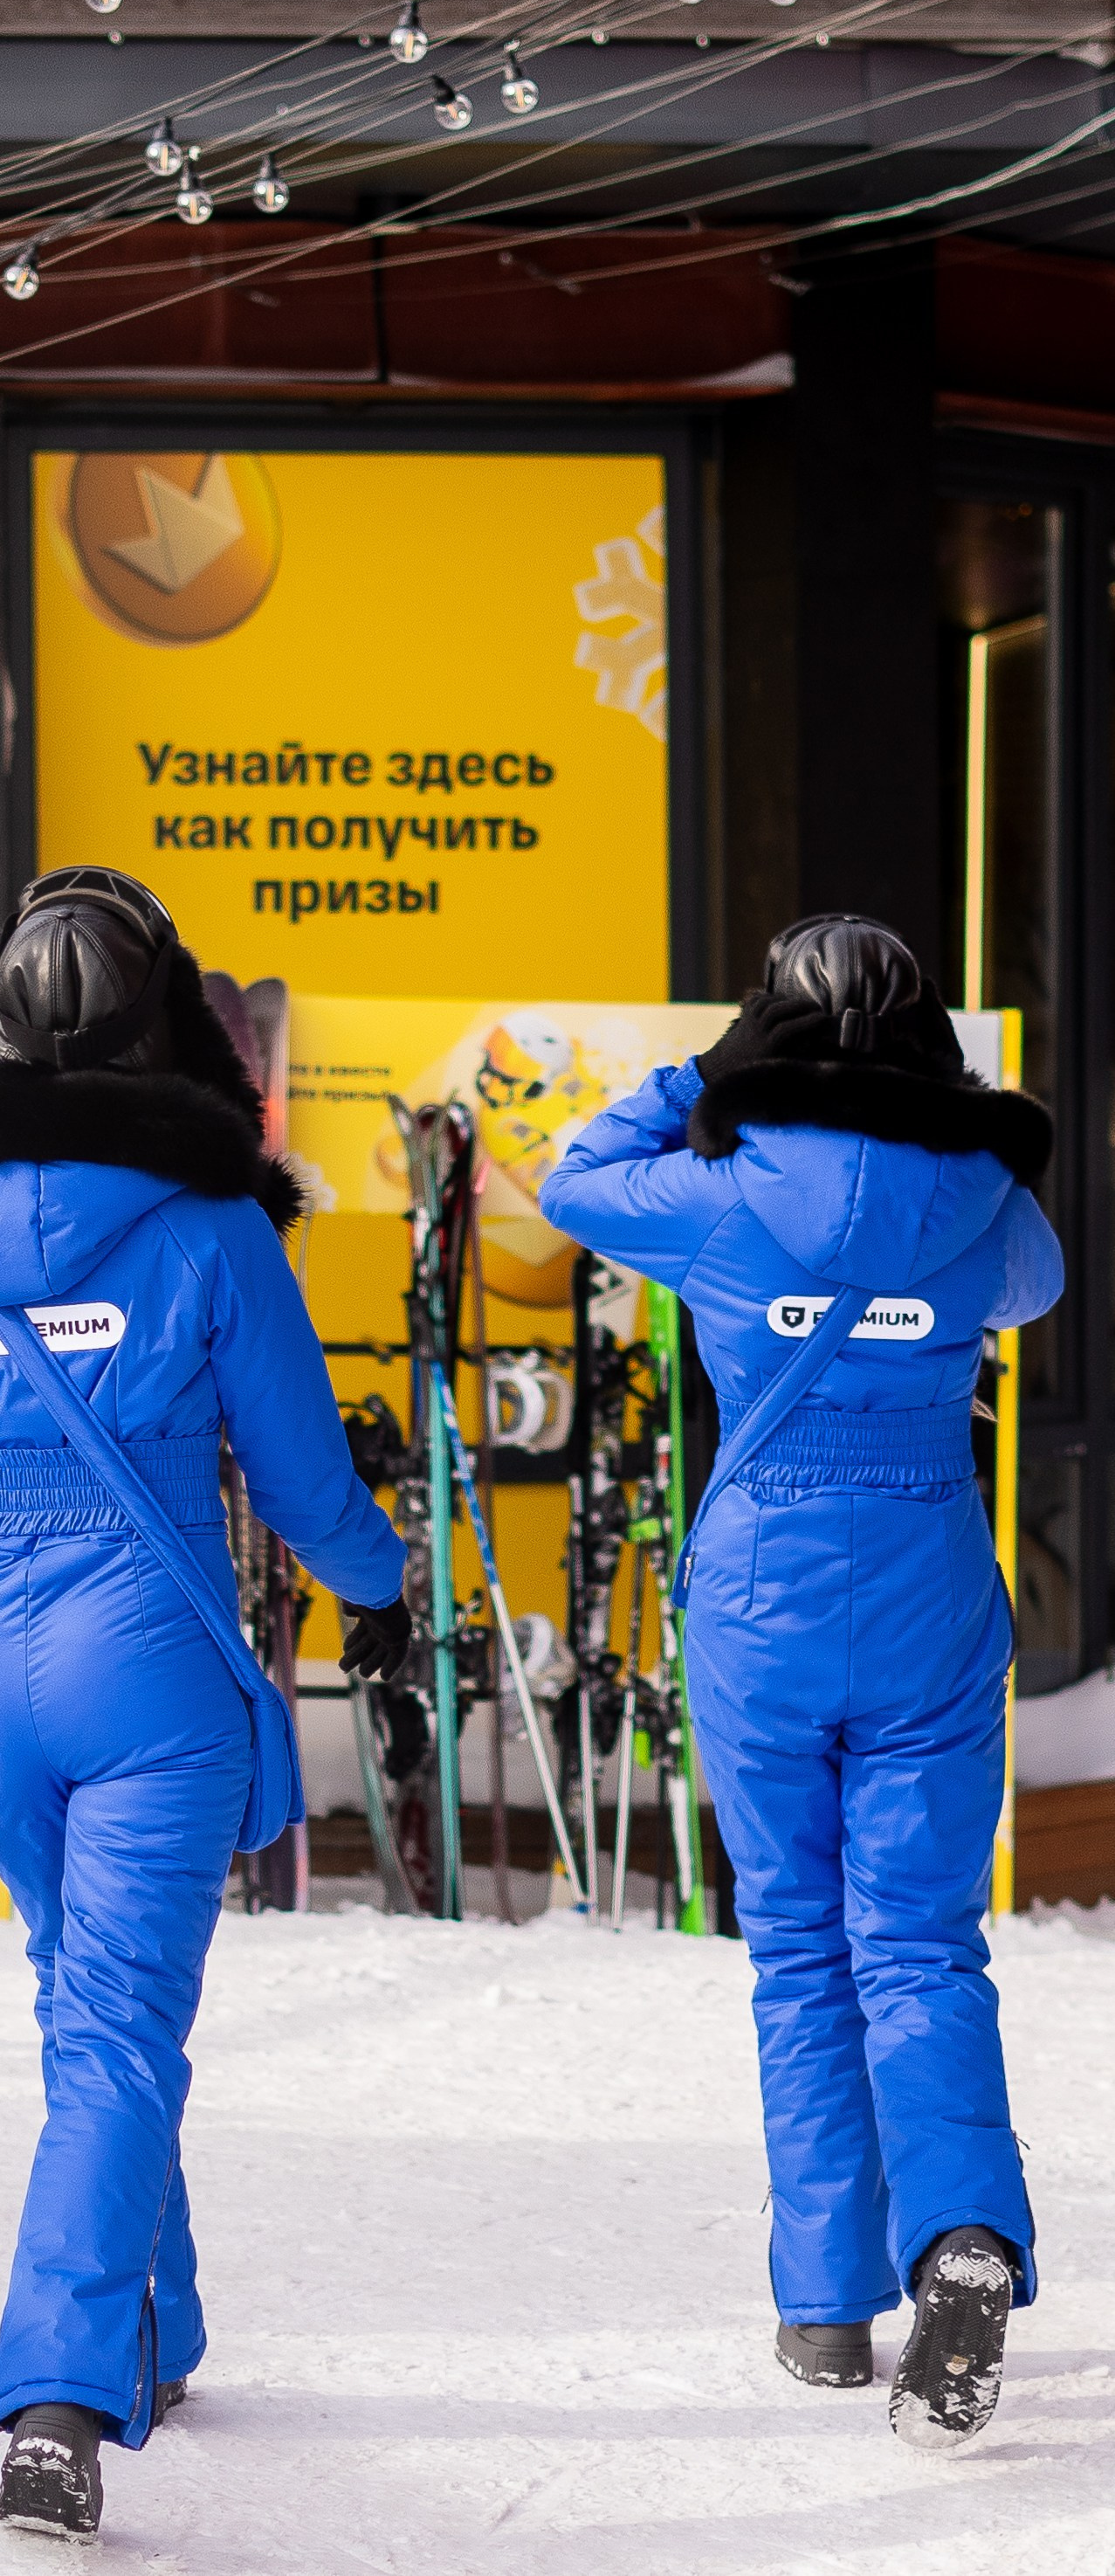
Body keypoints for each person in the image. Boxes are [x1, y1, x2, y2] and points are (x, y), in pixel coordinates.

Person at [0, 867, 413, 2543]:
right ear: (164, 1027)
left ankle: (150, 2335)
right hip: (151, 1671)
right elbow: (302, 1476)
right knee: (117, 2031)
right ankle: (55, 2400)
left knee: (87, 2015)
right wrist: (389, 1605)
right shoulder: (209, 1230)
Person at [539, 915, 1063, 2449]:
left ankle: (826, 2309)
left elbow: (568, 1173)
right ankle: (960, 2235)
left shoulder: (712, 1196)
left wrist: (706, 1070)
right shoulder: (983, 1206)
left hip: (764, 1598)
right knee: (917, 1942)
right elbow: (1025, 1288)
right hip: (927, 1586)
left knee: (795, 1950)